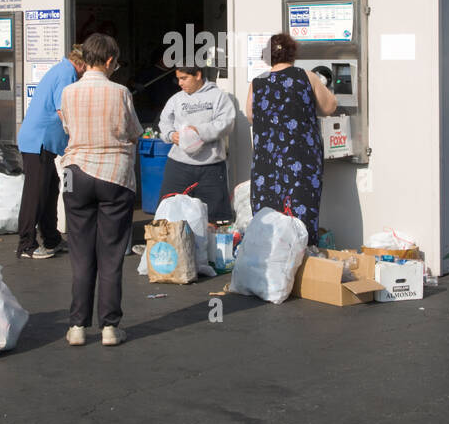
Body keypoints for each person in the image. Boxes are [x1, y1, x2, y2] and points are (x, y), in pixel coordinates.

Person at [57, 33, 143, 347]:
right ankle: (109, 327)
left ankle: (77, 326)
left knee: (80, 254)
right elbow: (134, 131)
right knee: (110, 255)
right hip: (114, 177)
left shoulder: (68, 91)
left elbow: (67, 128)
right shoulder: (120, 92)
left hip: (75, 174)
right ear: (109, 61)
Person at [246, 33, 337, 245]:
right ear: (293, 53)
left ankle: (269, 260)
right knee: (300, 214)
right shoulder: (307, 76)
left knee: (269, 213)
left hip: (266, 162)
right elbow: (329, 106)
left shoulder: (257, 82)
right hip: (301, 159)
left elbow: (250, 115)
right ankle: (302, 264)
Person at [15, 46, 87, 260]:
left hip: (42, 141)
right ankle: (26, 244)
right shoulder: (67, 74)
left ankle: (52, 238)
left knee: (49, 190)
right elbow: (63, 109)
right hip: (39, 142)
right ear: (82, 64)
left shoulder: (63, 70)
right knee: (35, 193)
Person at [157, 66, 237, 221]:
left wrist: (198, 132)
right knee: (168, 214)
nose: (180, 83)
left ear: (198, 75)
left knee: (216, 218)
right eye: (178, 78)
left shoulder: (218, 97)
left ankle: (217, 245)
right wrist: (170, 135)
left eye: (184, 78)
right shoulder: (176, 99)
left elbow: (226, 123)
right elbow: (164, 122)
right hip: (178, 166)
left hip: (211, 167)